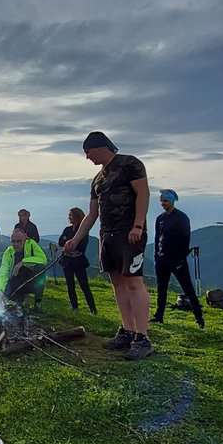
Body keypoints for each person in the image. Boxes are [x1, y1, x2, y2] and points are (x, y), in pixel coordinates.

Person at [63, 131, 153, 360]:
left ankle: (142, 338)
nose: (87, 158)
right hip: (108, 235)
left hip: (130, 233)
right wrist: (76, 239)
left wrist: (138, 226)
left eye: (88, 152)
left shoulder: (130, 164)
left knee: (133, 282)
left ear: (101, 147)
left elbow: (143, 193)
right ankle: (127, 330)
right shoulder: (97, 180)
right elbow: (92, 214)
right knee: (117, 283)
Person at [151, 189, 204, 328]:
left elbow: (185, 239)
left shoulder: (182, 218)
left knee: (188, 289)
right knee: (161, 288)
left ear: (172, 201)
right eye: (161, 200)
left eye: (165, 201)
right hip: (162, 259)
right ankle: (159, 316)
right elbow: (157, 239)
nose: (163, 203)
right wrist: (156, 255)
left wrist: (181, 259)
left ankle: (199, 318)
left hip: (177, 260)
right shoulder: (160, 219)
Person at [57, 207, 97, 313]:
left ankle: (92, 309)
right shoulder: (67, 229)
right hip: (67, 262)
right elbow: (61, 241)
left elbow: (81, 246)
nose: (69, 217)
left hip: (78, 262)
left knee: (84, 285)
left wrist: (69, 243)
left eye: (71, 215)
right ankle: (74, 307)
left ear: (76, 216)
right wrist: (70, 245)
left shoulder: (83, 230)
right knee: (70, 285)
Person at [0, 229, 48, 309]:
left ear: (25, 240)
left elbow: (43, 260)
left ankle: (38, 302)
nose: (16, 244)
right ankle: (18, 303)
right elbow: (3, 272)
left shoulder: (31, 244)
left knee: (40, 268)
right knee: (13, 306)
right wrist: (0, 291)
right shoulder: (8, 252)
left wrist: (23, 262)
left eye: (19, 241)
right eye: (13, 241)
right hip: (16, 281)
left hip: (32, 281)